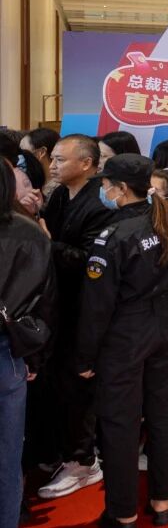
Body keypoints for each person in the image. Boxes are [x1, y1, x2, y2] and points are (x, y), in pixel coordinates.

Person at [75, 154, 168, 527]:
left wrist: (85, 357)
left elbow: (96, 306)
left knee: (120, 422)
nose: (103, 190)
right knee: (165, 413)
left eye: (106, 185)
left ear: (121, 189)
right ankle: (162, 501)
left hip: (129, 332)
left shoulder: (113, 237)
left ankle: (123, 513)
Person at [36, 134, 115, 501]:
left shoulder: (101, 201)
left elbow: (89, 262)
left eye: (60, 160)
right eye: (52, 159)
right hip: (57, 305)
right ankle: (64, 451)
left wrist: (45, 242)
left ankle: (83, 461)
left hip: (84, 308)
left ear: (86, 164)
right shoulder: (58, 195)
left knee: (78, 385)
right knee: (58, 384)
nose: (53, 166)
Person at [1, 159, 55, 527]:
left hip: (9, 348)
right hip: (9, 352)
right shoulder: (31, 232)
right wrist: (34, 356)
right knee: (6, 457)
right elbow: (44, 302)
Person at [20, 127, 59, 196]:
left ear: (41, 152)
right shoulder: (33, 183)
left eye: (23, 151)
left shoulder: (60, 190)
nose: (19, 157)